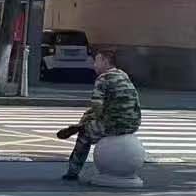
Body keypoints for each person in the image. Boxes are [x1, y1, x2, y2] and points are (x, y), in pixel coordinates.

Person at [60, 48, 142, 181]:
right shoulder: (123, 75)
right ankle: (81, 125)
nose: (94, 65)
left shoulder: (103, 78)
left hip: (114, 125)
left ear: (105, 61)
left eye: (97, 61)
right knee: (89, 116)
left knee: (84, 135)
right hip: (133, 124)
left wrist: (91, 121)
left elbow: (96, 106)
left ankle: (73, 171)